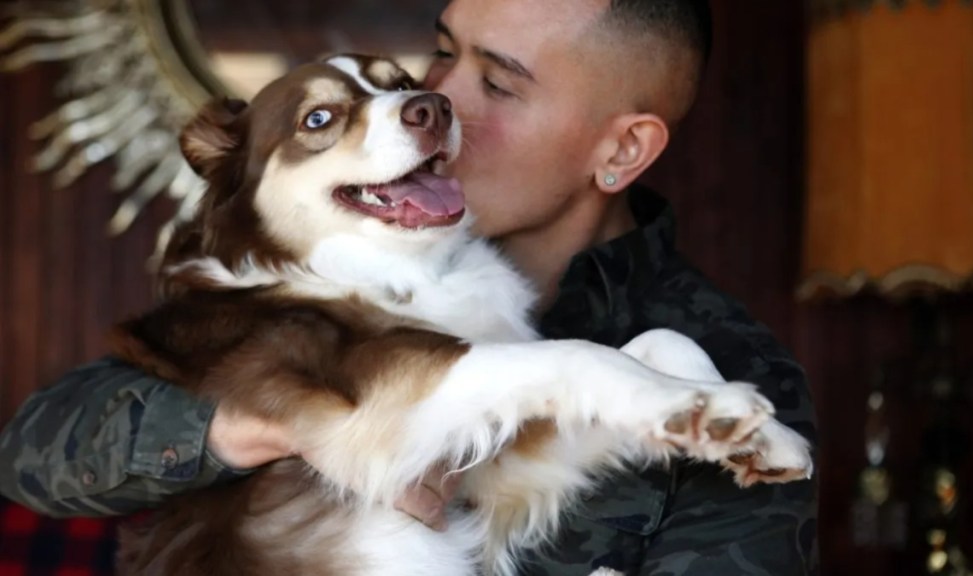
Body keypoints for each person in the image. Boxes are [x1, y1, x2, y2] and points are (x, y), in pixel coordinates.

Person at [0, 0, 818, 574]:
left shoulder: (733, 355)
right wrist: (253, 422)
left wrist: (637, 380)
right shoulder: (289, 298)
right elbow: (34, 453)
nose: (436, 99)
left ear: (622, 151)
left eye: (498, 84)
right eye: (442, 53)